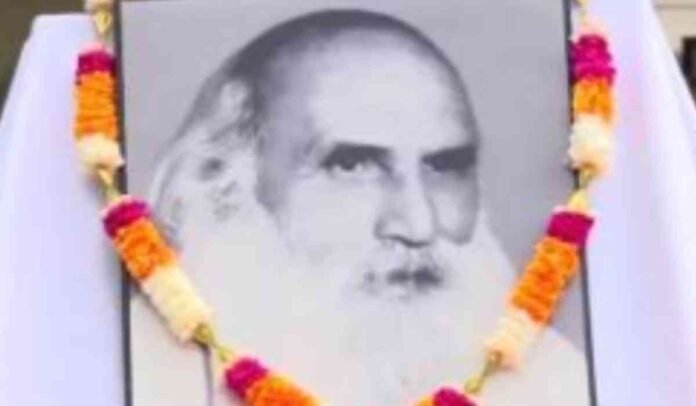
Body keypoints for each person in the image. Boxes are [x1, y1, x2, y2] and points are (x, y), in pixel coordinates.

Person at [144, 10, 590, 406]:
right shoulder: (145, 373)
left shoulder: (556, 383)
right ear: (224, 181)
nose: (417, 223)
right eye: (352, 166)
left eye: (443, 166)